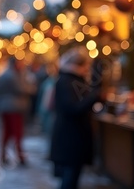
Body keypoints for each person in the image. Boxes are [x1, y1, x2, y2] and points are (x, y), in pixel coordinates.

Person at [49, 46, 103, 189]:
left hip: (73, 137)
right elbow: (72, 108)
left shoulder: (71, 80)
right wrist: (94, 96)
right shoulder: (67, 81)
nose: (87, 69)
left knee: (72, 175)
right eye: (86, 65)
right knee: (70, 177)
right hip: (70, 138)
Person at [0, 57, 35, 166]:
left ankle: (4, 155)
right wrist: (30, 86)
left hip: (5, 106)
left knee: (6, 132)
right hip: (14, 107)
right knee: (17, 133)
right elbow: (23, 89)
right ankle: (19, 156)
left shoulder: (4, 74)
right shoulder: (13, 75)